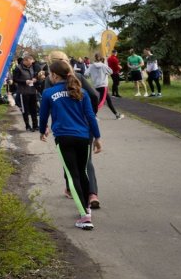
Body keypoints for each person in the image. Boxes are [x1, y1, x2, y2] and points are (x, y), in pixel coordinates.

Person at [38, 59, 102, 231]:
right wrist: (97, 137)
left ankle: (85, 216)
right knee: (83, 173)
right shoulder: (81, 92)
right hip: (83, 137)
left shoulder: (49, 93)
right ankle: (86, 209)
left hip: (64, 138)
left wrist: (41, 130)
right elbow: (90, 117)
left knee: (72, 175)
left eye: (50, 74)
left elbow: (43, 116)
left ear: (54, 75)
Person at [87, 53, 123, 119]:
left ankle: (116, 114)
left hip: (96, 86)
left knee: (108, 100)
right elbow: (111, 72)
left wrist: (93, 74)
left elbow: (86, 73)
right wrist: (105, 65)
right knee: (101, 102)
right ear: (101, 58)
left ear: (95, 58)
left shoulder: (91, 66)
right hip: (103, 85)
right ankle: (92, 115)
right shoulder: (104, 66)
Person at [12, 54, 40, 131]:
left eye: (31, 63)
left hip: (32, 91)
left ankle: (35, 125)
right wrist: (25, 81)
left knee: (34, 109)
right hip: (23, 92)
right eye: (30, 63)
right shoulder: (18, 68)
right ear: (25, 61)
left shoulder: (32, 67)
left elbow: (35, 76)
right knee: (25, 110)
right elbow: (15, 79)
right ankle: (27, 126)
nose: (31, 64)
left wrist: (35, 79)